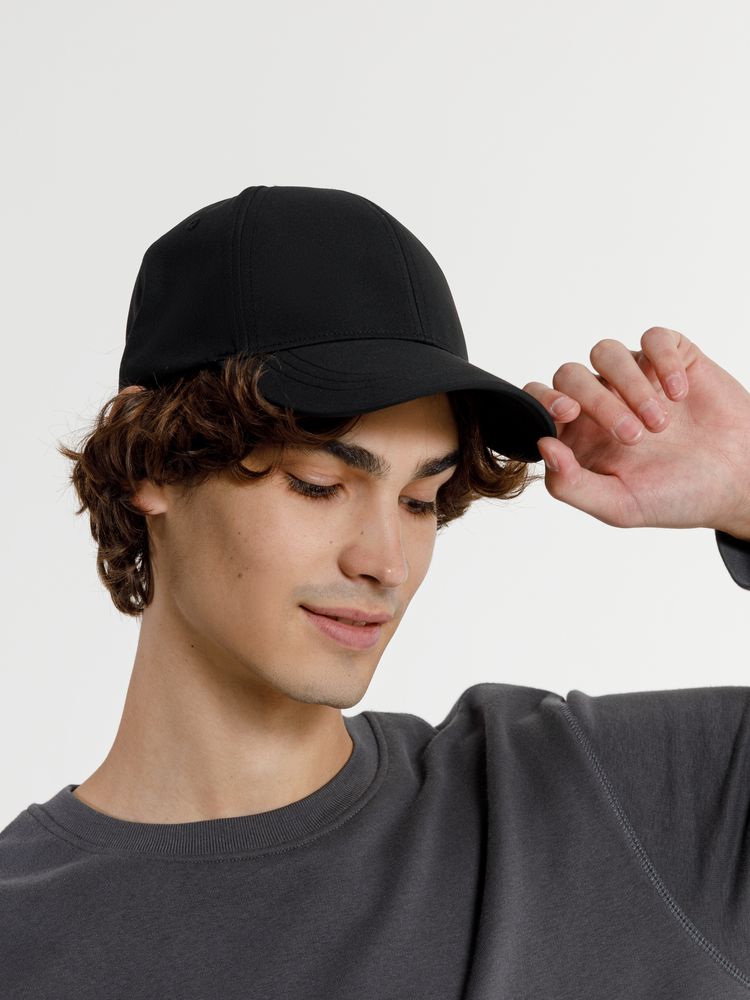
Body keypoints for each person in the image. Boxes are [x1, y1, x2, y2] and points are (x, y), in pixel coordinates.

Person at [2, 185, 750, 999]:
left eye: (420, 500)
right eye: (318, 485)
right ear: (151, 464)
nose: (386, 562)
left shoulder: (598, 802)